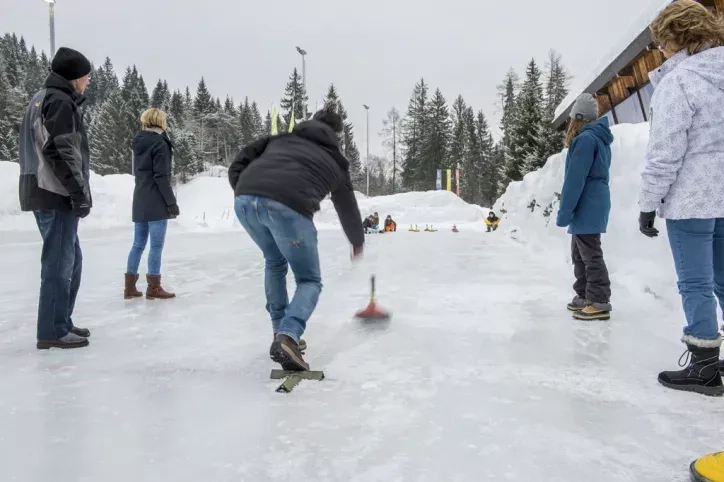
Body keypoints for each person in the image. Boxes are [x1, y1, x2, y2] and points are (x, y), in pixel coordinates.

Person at [228, 102, 364, 371]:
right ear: (336, 135)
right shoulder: (336, 161)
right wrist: (357, 240)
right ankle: (288, 335)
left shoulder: (281, 139)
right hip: (288, 208)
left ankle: (280, 331)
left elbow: (241, 159)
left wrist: (246, 189)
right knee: (309, 279)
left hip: (245, 202)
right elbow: (346, 204)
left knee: (274, 262)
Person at [639, 0, 724, 395]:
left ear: (679, 37)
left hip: (692, 200)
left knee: (696, 283)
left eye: (661, 42)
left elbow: (664, 153)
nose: (660, 50)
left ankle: (705, 368)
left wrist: (647, 204)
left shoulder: (681, 81)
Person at [18, 47, 93, 349]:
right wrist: (78, 192)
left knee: (70, 260)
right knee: (60, 262)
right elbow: (60, 150)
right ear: (75, 77)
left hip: (43, 187)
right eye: (86, 76)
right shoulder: (59, 101)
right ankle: (52, 329)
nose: (88, 82)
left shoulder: (42, 98)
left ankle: (60, 319)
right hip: (54, 190)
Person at [556, 93, 613, 322]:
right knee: (579, 253)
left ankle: (599, 300)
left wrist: (564, 212)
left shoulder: (586, 140)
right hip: (591, 203)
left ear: (578, 117)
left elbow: (574, 180)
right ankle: (584, 295)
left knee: (590, 254)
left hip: (586, 204)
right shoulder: (595, 138)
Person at [124, 108, 178, 300]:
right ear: (161, 122)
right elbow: (161, 176)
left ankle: (129, 288)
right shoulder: (160, 143)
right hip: (156, 200)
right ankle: (154, 288)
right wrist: (171, 202)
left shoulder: (138, 141)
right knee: (156, 246)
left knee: (138, 243)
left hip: (139, 197)